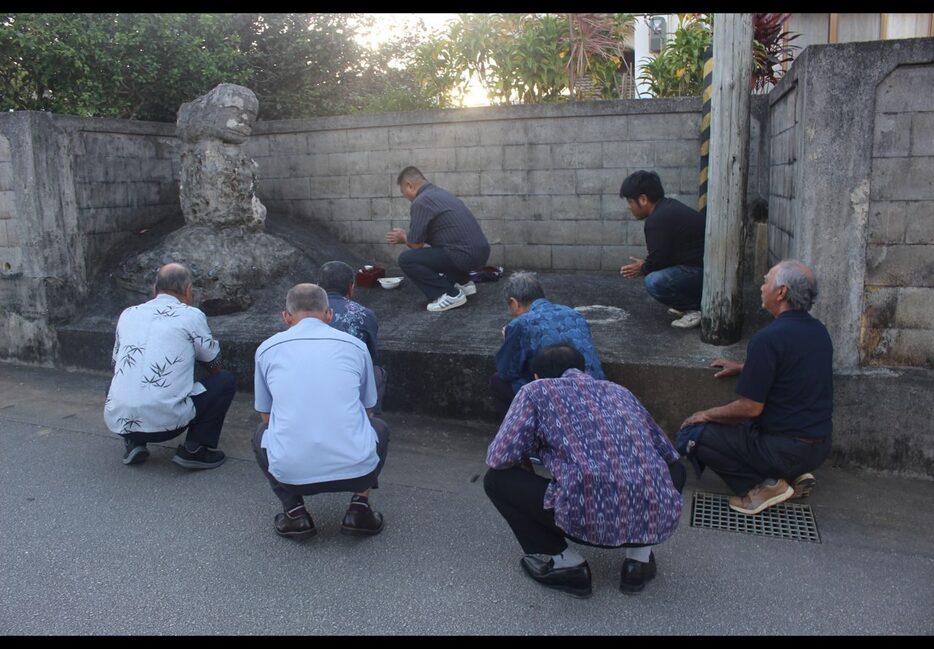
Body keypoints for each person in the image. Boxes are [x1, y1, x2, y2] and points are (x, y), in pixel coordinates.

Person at [484, 345, 685, 599]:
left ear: (537, 375)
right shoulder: (618, 390)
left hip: (587, 518)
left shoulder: (535, 391)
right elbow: (669, 453)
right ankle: (639, 562)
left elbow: (499, 457)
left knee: (496, 481)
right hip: (652, 514)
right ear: (583, 369)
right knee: (674, 470)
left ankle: (568, 565)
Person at [679, 260, 832, 516]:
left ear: (781, 292)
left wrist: (704, 414)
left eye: (766, 281)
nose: (762, 287)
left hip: (783, 448)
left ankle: (762, 485)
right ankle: (791, 477)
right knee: (739, 431)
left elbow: (750, 408)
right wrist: (745, 367)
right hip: (818, 448)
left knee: (693, 434)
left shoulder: (767, 339)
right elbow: (792, 366)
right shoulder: (819, 331)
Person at [253, 283, 389, 540]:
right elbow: (369, 407)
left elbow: (266, 416)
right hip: (357, 469)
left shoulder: (267, 350)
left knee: (260, 433)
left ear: (286, 317)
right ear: (329, 315)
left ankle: (295, 513)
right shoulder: (354, 347)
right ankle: (359, 507)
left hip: (291, 473)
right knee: (380, 428)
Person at [104, 263, 235, 469]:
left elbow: (116, 364)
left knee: (117, 382)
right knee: (224, 381)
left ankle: (133, 442)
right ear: (188, 290)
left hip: (121, 420)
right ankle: (194, 449)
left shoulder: (128, 314)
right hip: (167, 424)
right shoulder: (191, 315)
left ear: (154, 289)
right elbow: (214, 363)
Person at [490, 271, 605, 418]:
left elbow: (506, 371)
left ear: (514, 302)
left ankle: (524, 433)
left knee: (497, 380)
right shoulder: (573, 314)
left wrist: (508, 338)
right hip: (596, 393)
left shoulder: (520, 323)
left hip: (560, 404)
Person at [385, 166, 490, 313]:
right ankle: (463, 282)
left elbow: (416, 245)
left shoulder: (421, 201)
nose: (406, 197)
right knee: (441, 250)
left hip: (463, 255)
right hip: (481, 252)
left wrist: (403, 237)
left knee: (407, 259)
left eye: (403, 193)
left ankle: (448, 294)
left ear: (410, 185)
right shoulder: (442, 194)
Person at [619, 170, 706, 329]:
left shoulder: (657, 220)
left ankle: (696, 309)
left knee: (654, 281)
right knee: (654, 273)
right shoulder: (667, 208)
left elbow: (658, 261)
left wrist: (644, 267)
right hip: (703, 270)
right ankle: (691, 304)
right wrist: (647, 265)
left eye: (630, 201)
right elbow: (663, 257)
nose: (629, 207)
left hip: (705, 274)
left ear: (643, 199)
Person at [318, 260, 388, 414]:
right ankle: (369, 417)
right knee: (376, 372)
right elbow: (370, 355)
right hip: (349, 383)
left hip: (309, 381)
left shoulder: (304, 313)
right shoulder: (364, 314)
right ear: (351, 288)